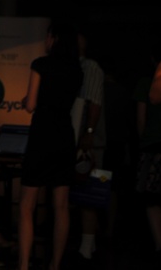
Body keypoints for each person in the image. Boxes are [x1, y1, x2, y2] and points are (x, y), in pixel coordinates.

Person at [18, 20, 83, 270]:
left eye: (48, 36)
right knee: (61, 206)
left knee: (27, 205)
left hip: (42, 135)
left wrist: (26, 99)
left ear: (54, 38)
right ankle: (55, 264)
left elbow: (31, 105)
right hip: (64, 136)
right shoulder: (77, 69)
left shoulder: (41, 64)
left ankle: (24, 265)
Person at [70, 31, 105, 264]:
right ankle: (86, 244)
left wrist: (89, 133)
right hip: (77, 136)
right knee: (80, 191)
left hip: (88, 139)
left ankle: (86, 246)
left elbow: (94, 102)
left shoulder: (90, 67)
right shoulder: (73, 65)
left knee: (89, 192)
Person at [134, 56, 161, 266]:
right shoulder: (147, 83)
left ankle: (160, 245)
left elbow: (141, 118)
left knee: (152, 198)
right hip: (153, 143)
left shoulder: (148, 83)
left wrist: (142, 140)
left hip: (153, 144)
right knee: (152, 197)